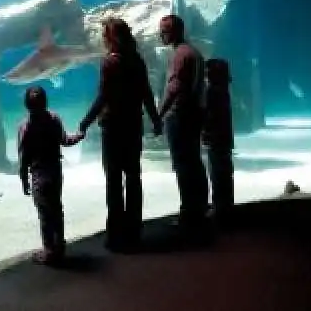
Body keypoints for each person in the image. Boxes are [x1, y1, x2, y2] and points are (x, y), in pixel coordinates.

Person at [78, 17, 162, 253]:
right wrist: (155, 119)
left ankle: (116, 234)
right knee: (134, 177)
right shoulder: (137, 60)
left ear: (111, 37)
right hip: (134, 126)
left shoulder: (109, 63)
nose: (103, 38)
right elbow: (146, 93)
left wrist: (85, 121)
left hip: (114, 128)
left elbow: (104, 96)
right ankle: (134, 231)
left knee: (114, 181)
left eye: (105, 34)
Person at [17, 86, 84, 265]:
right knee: (57, 209)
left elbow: (23, 158)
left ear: (26, 105)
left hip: (39, 175)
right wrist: (78, 136)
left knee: (45, 215)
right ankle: (59, 247)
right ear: (46, 102)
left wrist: (24, 179)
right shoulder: (54, 118)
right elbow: (65, 140)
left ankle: (49, 251)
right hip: (55, 171)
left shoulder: (25, 127)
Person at [157, 14, 211, 233]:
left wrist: (158, 114)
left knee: (182, 164)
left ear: (177, 30)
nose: (161, 34)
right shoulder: (194, 52)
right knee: (194, 161)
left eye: (165, 30)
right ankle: (200, 208)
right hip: (194, 114)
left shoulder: (180, 55)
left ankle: (189, 211)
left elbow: (175, 87)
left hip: (180, 116)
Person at [203, 58, 235, 227]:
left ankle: (220, 210)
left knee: (217, 174)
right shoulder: (224, 90)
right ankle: (226, 207)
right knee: (225, 174)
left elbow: (207, 116)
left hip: (215, 140)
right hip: (225, 140)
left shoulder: (211, 92)